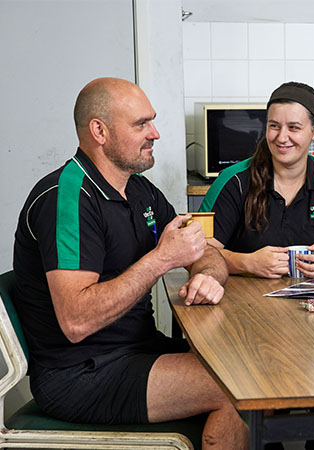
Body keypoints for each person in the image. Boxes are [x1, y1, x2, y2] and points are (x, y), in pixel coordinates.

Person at [13, 78, 247, 450]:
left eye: (151, 121)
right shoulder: (67, 198)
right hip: (80, 374)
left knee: (244, 363)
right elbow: (76, 321)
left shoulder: (139, 189)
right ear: (99, 131)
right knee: (236, 387)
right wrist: (162, 259)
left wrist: (208, 276)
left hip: (137, 351)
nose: (154, 133)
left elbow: (204, 249)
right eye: (141, 124)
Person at [200, 81, 314, 279]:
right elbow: (200, 252)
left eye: (294, 127)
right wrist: (247, 263)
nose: (282, 137)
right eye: (274, 126)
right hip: (244, 303)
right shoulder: (233, 181)